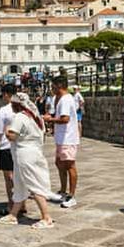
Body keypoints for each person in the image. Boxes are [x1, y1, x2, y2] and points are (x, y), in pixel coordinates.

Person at [0, 93, 54, 229]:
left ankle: (46, 217)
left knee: (33, 184)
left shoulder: (20, 117)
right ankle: (13, 214)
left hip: (25, 154)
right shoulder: (35, 117)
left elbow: (12, 136)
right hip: (33, 153)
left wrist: (6, 131)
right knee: (20, 184)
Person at [46, 79, 80, 208]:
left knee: (69, 165)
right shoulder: (61, 99)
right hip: (62, 138)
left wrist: (51, 119)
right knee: (60, 163)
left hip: (68, 138)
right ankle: (63, 191)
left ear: (59, 86)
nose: (51, 88)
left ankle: (71, 195)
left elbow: (65, 119)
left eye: (53, 86)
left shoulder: (65, 100)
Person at [0, 84, 21, 215]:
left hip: (6, 146)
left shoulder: (3, 111)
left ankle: (11, 205)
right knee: (19, 176)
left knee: (9, 178)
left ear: (6, 94)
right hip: (20, 146)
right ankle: (22, 204)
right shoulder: (22, 108)